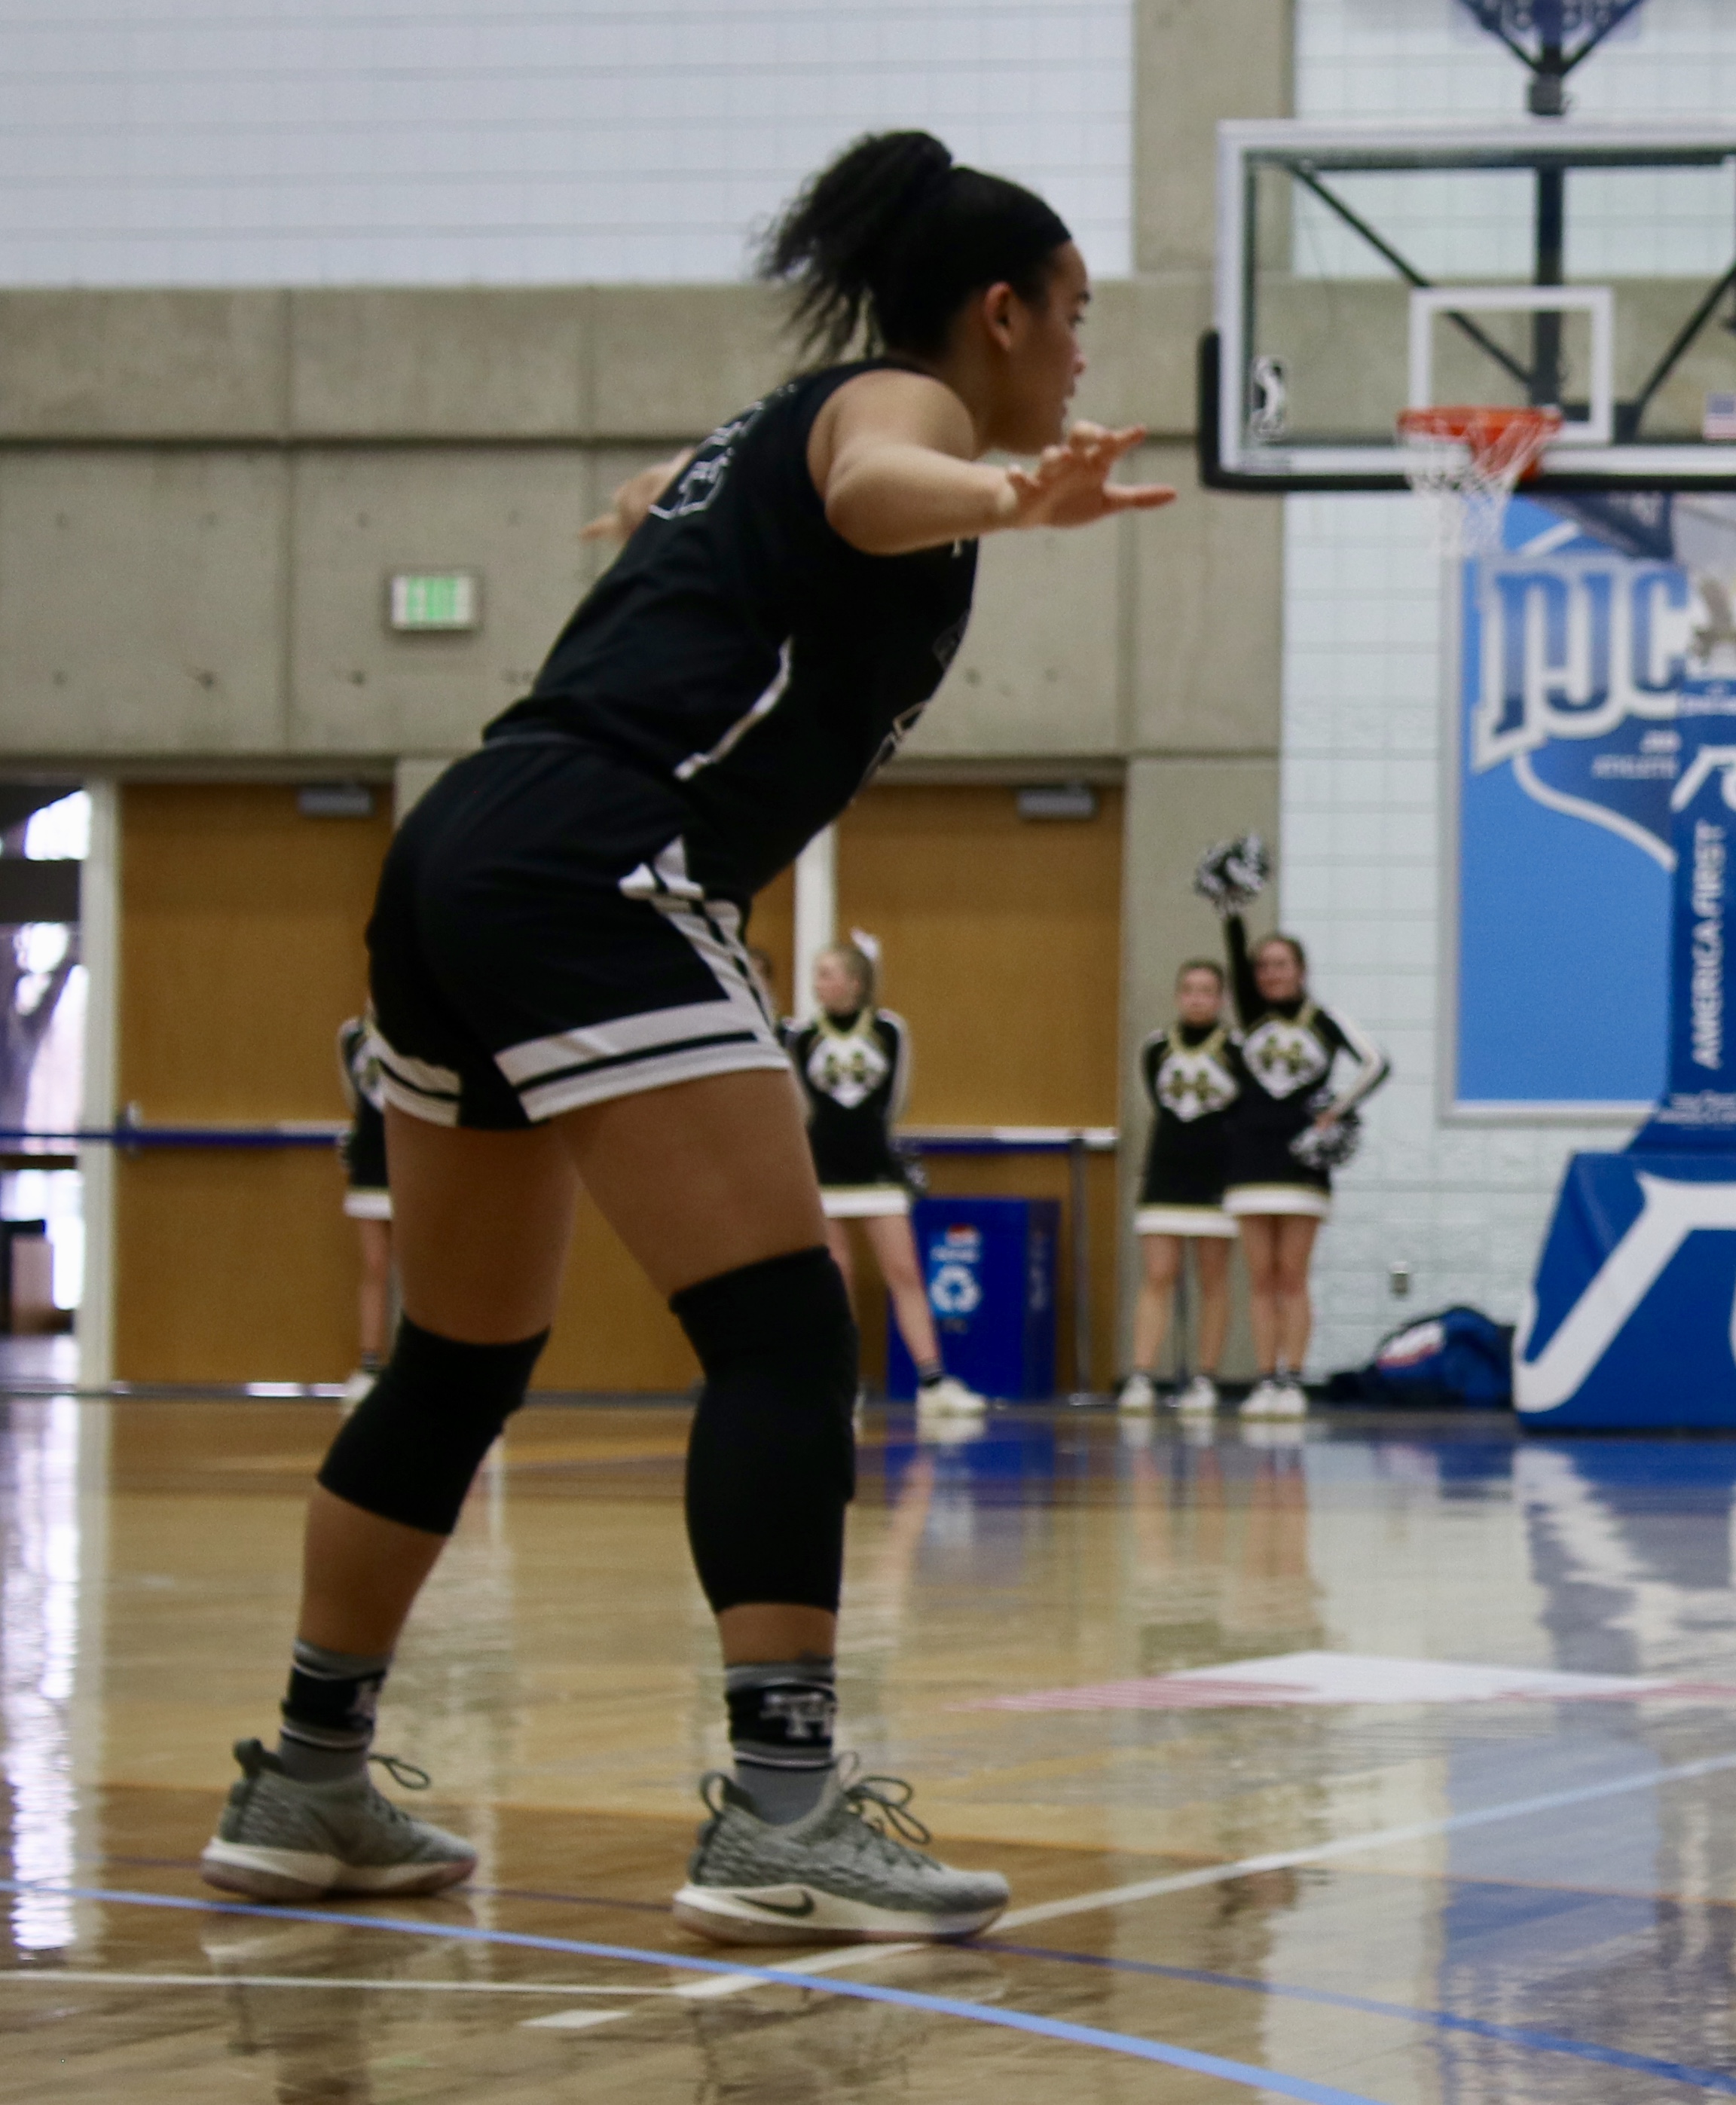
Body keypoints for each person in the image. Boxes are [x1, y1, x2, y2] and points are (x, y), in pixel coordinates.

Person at [197, 128, 1171, 1944]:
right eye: (1072, 319)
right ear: (999, 311)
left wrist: (675, 493)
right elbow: (885, 482)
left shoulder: (778, 416)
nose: (1076, 356)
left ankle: (310, 1774)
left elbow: (746, 499)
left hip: (464, 848)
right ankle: (783, 1812)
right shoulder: (907, 414)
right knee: (786, 1329)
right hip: (602, 869)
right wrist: (1007, 498)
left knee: (458, 1357)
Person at [785, 939, 982, 1419]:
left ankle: (933, 1382)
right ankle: (844, 1384)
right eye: (817, 975)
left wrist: (870, 1137)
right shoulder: (800, 1035)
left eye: (829, 974)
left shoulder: (891, 1030)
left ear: (855, 982)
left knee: (905, 1272)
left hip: (876, 1170)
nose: (820, 984)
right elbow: (800, 1103)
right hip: (825, 1171)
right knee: (838, 1277)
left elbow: (896, 1099)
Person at [1220, 915, 1388, 1419]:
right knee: (1260, 1278)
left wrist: (1336, 1111)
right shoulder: (1251, 1018)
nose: (1271, 973)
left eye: (1281, 964)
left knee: (1292, 1275)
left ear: (1301, 969)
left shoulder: (1323, 1018)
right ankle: (1265, 1379)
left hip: (1301, 1159)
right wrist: (1232, 911)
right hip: (1250, 1157)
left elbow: (1376, 1062)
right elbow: (1232, 953)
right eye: (1263, 966)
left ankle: (1292, 1378)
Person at [1120, 958, 1239, 1417]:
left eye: (1207, 990)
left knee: (1213, 1280)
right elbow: (1160, 1102)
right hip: (1166, 1172)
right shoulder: (1155, 1048)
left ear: (1221, 998)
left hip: (1217, 1176)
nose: (1197, 998)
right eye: (1189, 989)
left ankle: (1205, 1378)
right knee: (1158, 1275)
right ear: (1177, 996)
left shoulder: (1238, 1048)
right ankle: (1142, 1376)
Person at [335, 1018, 393, 1410]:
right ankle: (369, 1366)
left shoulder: (424, 1025)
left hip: (417, 1162)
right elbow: (353, 1096)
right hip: (372, 1163)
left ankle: (419, 1366)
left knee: (421, 1272)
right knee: (375, 1265)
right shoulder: (352, 1037)